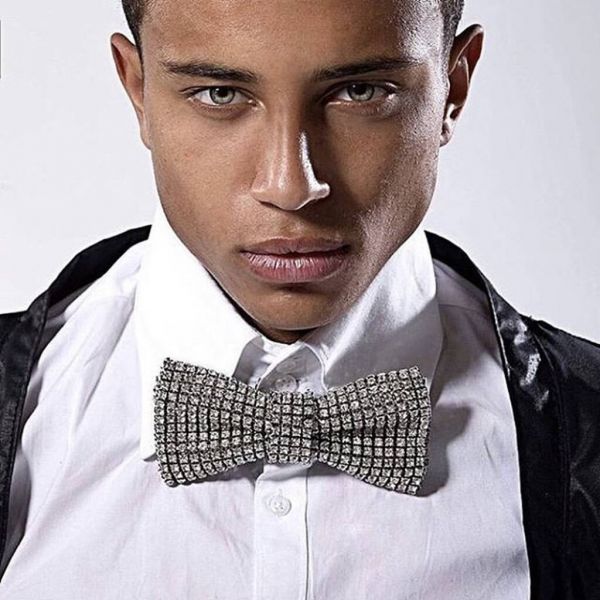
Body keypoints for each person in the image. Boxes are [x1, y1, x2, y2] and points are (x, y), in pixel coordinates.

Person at [0, 0, 597, 598]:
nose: (290, 186)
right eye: (220, 94)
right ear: (138, 89)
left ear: (453, 88)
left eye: (360, 91)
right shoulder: (35, 413)